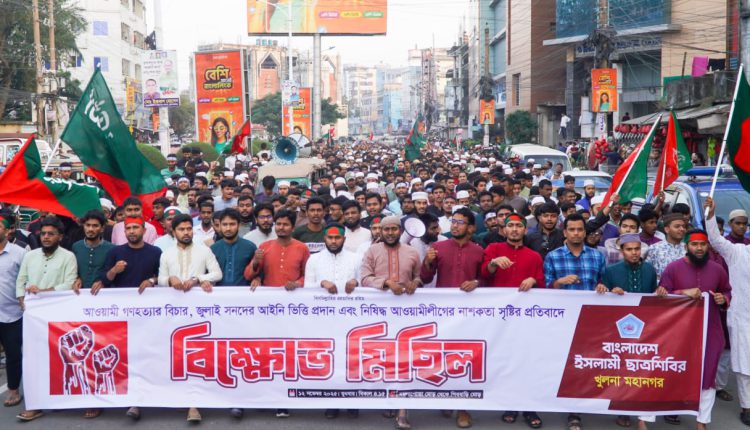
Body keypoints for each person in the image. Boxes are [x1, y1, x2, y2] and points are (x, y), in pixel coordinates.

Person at [660, 229, 731, 430]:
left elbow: (727, 290)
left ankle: (702, 421)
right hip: (680, 332)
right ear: (686, 246)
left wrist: (723, 299)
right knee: (677, 370)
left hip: (711, 330)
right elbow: (663, 295)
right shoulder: (673, 268)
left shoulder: (717, 269)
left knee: (708, 374)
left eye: (702, 244)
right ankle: (672, 408)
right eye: (694, 244)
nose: (699, 248)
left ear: (707, 246)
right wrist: (683, 292)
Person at [360, 215, 422, 430]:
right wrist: (386, 282)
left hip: (406, 314)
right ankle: (389, 400)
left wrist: (415, 282)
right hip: (379, 315)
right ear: (381, 231)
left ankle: (402, 410)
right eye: (386, 229)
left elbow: (419, 276)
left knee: (404, 358)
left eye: (394, 229)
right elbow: (365, 278)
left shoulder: (412, 252)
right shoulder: (372, 251)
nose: (390, 233)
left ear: (400, 231)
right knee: (384, 358)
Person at [158, 213, 222, 422]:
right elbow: (160, 279)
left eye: (188, 229)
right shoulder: (166, 254)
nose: (186, 233)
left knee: (196, 354)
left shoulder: (204, 250)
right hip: (174, 310)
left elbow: (217, 274)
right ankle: (177, 396)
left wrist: (197, 279)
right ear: (173, 231)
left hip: (198, 310)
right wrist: (170, 279)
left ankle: (194, 404)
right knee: (175, 354)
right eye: (181, 229)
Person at [15, 216, 77, 422]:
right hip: (33, 317)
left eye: (51, 234)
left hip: (59, 317)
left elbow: (69, 284)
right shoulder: (30, 256)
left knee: (60, 359)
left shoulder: (68, 257)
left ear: (60, 237)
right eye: (43, 234)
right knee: (33, 360)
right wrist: (22, 298)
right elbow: (21, 280)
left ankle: (60, 399)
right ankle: (35, 404)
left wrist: (44, 292)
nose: (46, 237)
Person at [704, 197, 750, 427]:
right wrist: (711, 215)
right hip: (742, 317)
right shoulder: (737, 252)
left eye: (744, 223)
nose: (741, 226)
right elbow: (714, 239)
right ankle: (747, 407)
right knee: (744, 366)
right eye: (738, 223)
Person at [0, 214, 26, 409]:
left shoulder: (20, 253)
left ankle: (14, 390)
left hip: (12, 314)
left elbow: (26, 279)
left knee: (13, 354)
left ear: (8, 231)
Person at [72, 210, 115, 295]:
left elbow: (113, 273)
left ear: (102, 228)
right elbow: (73, 270)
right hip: (79, 294)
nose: (90, 229)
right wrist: (77, 278)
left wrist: (103, 282)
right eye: (87, 225)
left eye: (95, 226)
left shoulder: (112, 249)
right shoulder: (76, 246)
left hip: (103, 295)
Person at [211, 209, 256, 287]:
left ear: (239, 225)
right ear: (220, 226)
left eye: (232, 224)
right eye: (224, 224)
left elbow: (258, 271)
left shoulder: (250, 247)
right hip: (219, 293)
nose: (228, 228)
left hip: (244, 292)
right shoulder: (213, 249)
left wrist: (257, 278)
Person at [646, 213, 686, 278]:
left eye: (683, 226)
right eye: (677, 226)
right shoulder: (654, 248)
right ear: (667, 229)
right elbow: (647, 271)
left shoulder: (688, 249)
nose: (682, 229)